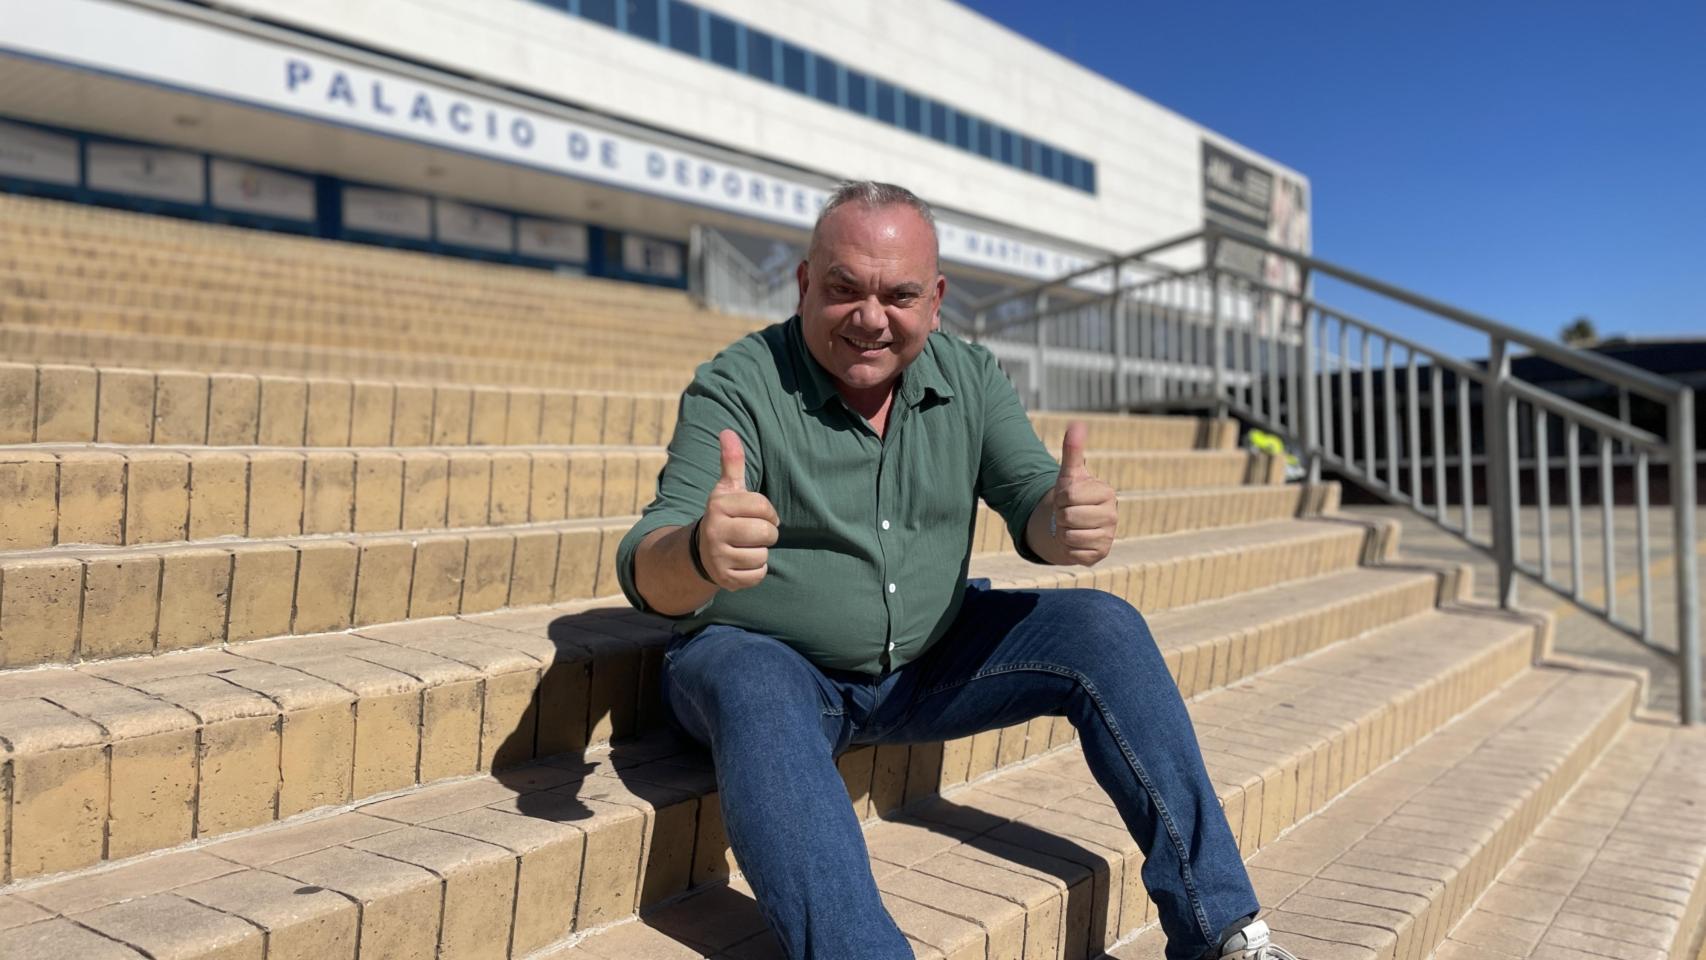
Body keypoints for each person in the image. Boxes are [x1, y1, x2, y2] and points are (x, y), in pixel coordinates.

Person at [617, 181, 1296, 960]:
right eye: (843, 290)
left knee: (1104, 628)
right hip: (769, 665)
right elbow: (648, 562)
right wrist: (701, 551)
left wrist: (1062, 519)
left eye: (898, 295)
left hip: (923, 666)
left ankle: (1224, 934)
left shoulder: (968, 376)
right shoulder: (740, 382)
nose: (871, 319)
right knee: (752, 680)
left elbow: (1033, 497)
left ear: (935, 300)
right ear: (805, 284)